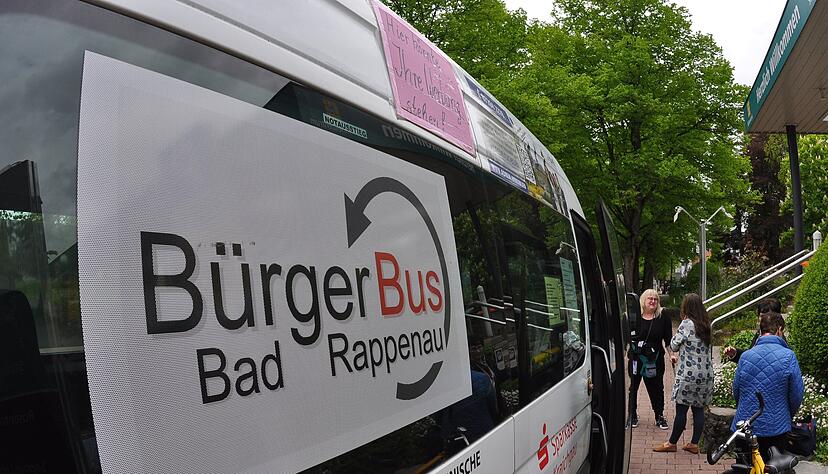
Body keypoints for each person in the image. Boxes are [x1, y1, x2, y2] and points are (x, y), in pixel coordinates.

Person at [731, 311, 804, 462]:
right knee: (772, 466)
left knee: (745, 466)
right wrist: (786, 414)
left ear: (760, 330)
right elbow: (796, 395)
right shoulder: (788, 356)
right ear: (779, 330)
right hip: (776, 427)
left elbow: (736, 390)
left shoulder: (745, 356)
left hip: (746, 425)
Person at [653, 294, 713, 454]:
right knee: (698, 409)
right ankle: (694, 444)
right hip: (705, 374)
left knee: (682, 409)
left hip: (688, 374)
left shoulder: (687, 324)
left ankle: (671, 443)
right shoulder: (707, 325)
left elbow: (673, 345)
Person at [628, 289, 676, 430]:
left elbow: (668, 339)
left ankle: (659, 415)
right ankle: (632, 414)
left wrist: (671, 354)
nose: (653, 301)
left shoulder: (663, 317)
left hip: (655, 359)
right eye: (650, 298)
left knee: (657, 388)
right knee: (633, 387)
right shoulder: (634, 316)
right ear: (643, 300)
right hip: (636, 358)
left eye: (655, 299)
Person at [722, 298, 782, 363]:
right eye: (762, 316)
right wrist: (735, 354)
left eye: (768, 316)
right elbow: (752, 357)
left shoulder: (778, 339)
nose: (765, 319)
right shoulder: (759, 334)